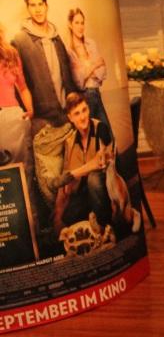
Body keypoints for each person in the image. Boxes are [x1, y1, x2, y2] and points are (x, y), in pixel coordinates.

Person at [12, 0, 79, 135]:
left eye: (40, 4)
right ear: (27, 8)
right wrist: (30, 116)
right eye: (32, 5)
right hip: (42, 122)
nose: (38, 10)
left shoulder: (56, 37)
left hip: (67, 115)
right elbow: (18, 85)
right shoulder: (20, 41)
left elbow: (68, 76)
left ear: (46, 6)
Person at [51, 92, 113, 234]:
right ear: (70, 118)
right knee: (67, 218)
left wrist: (72, 174)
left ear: (89, 109)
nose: (83, 117)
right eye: (77, 113)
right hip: (83, 193)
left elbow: (99, 162)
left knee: (93, 179)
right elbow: (64, 183)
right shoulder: (70, 142)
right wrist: (58, 216)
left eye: (84, 110)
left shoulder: (100, 128)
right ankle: (92, 220)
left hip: (104, 188)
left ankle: (106, 226)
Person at [66, 8, 112, 136]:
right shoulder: (69, 50)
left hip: (96, 93)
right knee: (91, 137)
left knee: (107, 135)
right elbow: (79, 81)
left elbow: (103, 73)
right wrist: (94, 65)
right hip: (84, 97)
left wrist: (86, 69)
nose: (80, 26)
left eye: (82, 23)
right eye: (76, 23)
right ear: (70, 24)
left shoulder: (91, 43)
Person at [0, 22, 35, 189]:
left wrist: (30, 111)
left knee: (23, 170)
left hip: (14, 118)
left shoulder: (11, 55)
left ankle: (28, 205)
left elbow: (23, 87)